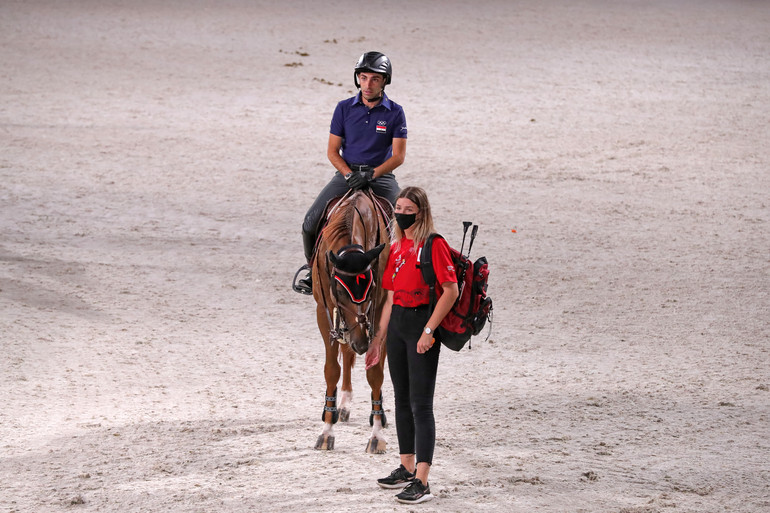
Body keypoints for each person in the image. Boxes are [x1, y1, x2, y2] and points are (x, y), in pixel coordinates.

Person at [366, 186, 459, 504]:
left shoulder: (434, 244)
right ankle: (406, 467)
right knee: (401, 401)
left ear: (420, 212)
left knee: (421, 405)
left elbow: (451, 290)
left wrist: (429, 330)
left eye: (408, 209)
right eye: (398, 208)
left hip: (422, 325)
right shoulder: (396, 247)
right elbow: (390, 297)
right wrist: (378, 339)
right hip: (397, 328)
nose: (401, 214)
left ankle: (422, 480)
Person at [295, 51, 407, 294]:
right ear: (357, 79)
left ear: (384, 81)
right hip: (347, 174)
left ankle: (408, 273)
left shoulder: (395, 112)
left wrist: (371, 175)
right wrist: (348, 175)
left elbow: (398, 156)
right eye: (363, 77)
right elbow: (333, 151)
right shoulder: (344, 108)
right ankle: (311, 271)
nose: (368, 84)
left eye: (374, 79)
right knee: (309, 222)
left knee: (408, 220)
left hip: (381, 176)